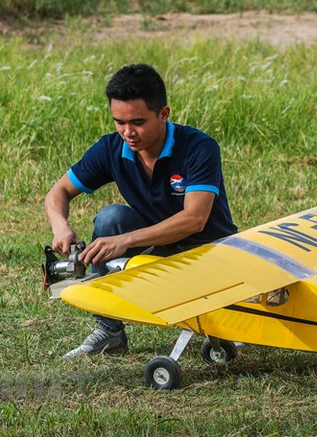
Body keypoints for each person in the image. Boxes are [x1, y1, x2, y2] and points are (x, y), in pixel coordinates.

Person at [45, 63, 236, 359]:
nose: (127, 132)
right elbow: (57, 193)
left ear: (164, 114)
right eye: (118, 122)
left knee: (118, 228)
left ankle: (227, 314)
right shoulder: (111, 148)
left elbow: (195, 219)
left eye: (137, 121)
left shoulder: (199, 147)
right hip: (156, 248)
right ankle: (109, 331)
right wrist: (60, 226)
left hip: (209, 252)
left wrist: (126, 241)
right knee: (111, 218)